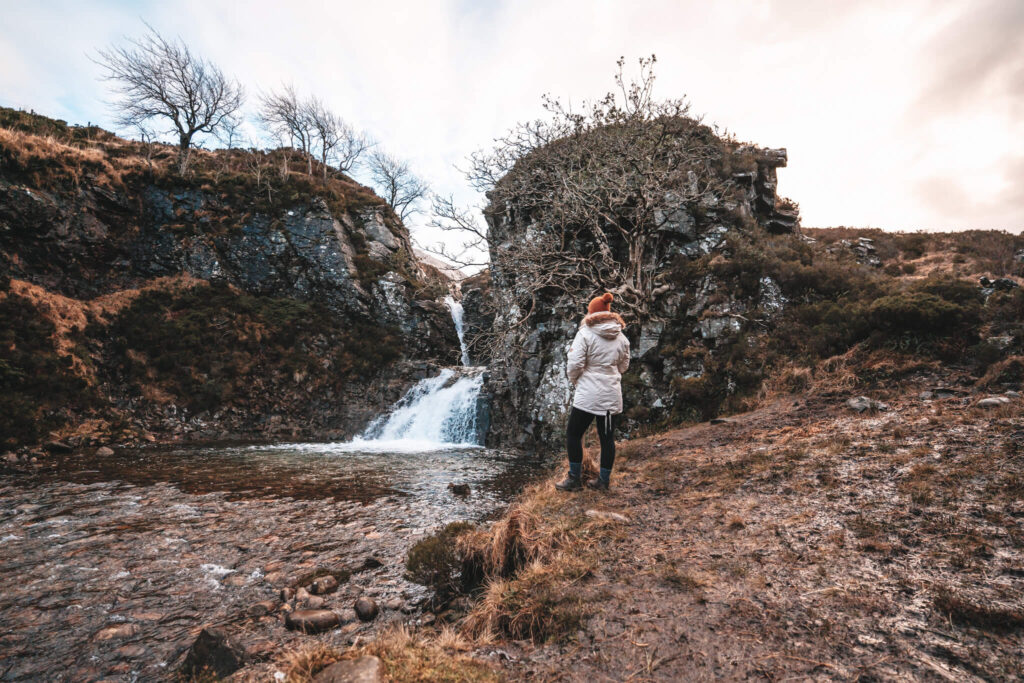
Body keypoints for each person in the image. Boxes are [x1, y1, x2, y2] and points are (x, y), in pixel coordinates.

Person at [556, 292, 630, 492]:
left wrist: (575, 380)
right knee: (607, 438)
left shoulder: (585, 333)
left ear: (591, 313)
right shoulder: (621, 336)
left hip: (588, 394)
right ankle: (603, 481)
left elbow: (575, 363)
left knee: (574, 433)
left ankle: (574, 480)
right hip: (610, 394)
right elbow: (624, 365)